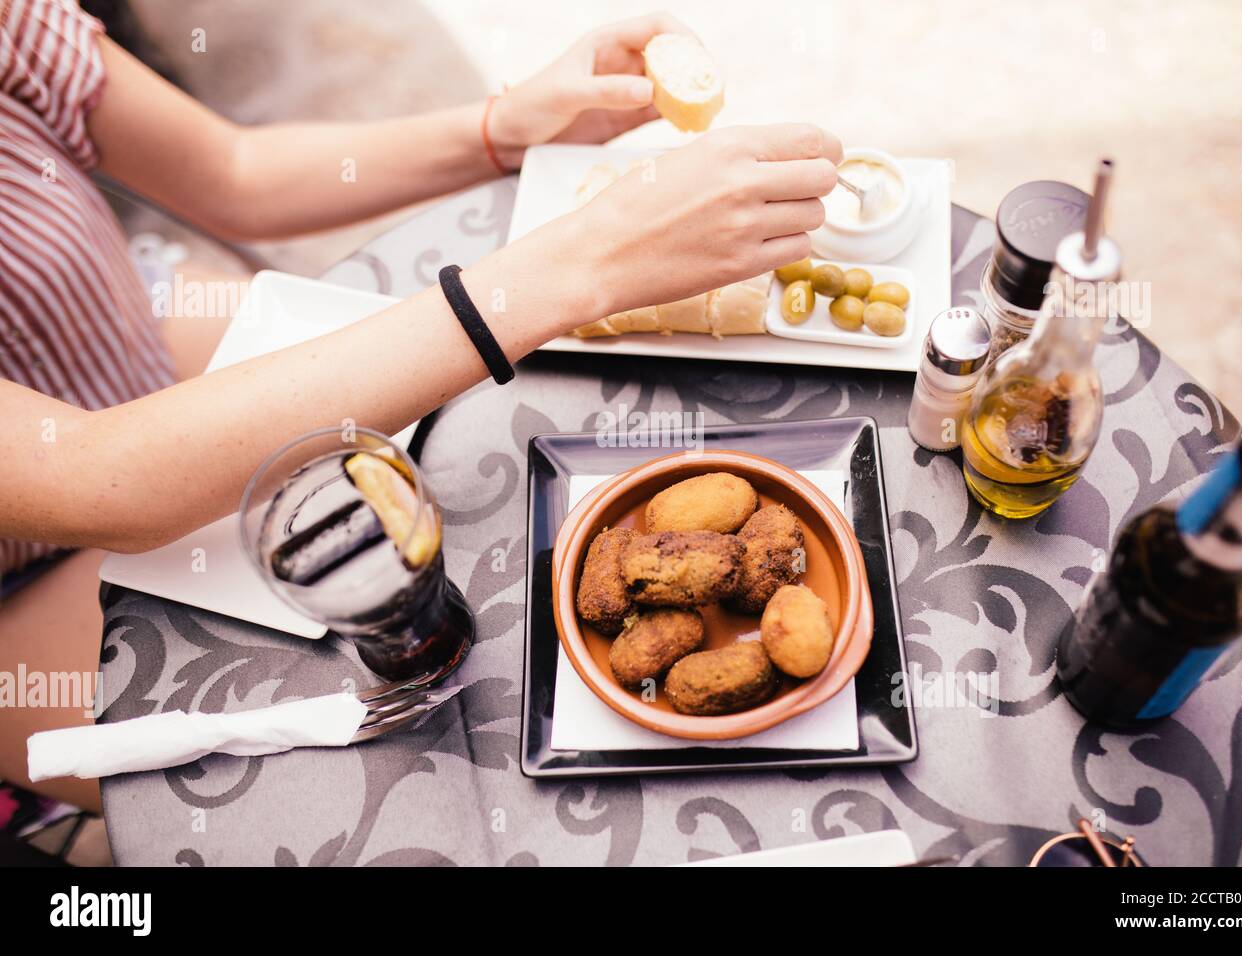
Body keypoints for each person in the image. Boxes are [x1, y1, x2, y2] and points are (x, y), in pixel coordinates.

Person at [0, 0, 840, 815]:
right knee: (403, 761)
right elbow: (100, 479)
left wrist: (502, 129)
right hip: (37, 555)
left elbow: (230, 172)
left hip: (129, 344)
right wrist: (579, 264)